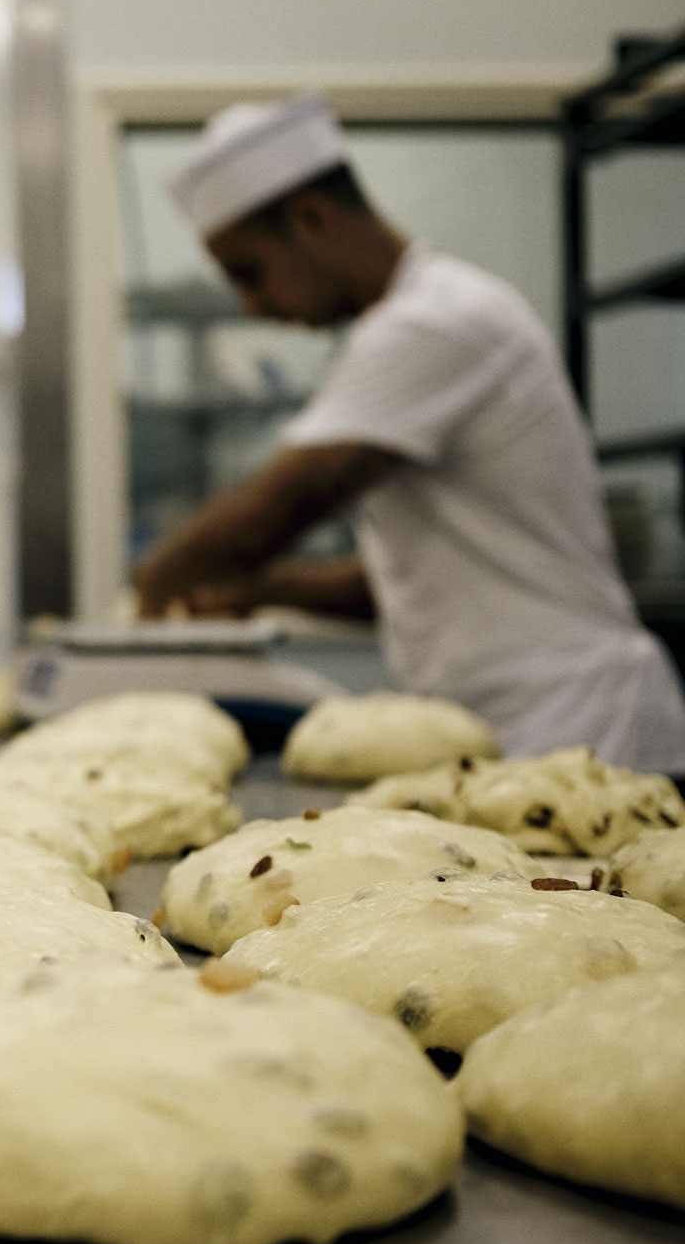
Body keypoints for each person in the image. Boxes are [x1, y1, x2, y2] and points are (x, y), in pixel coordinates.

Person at [135, 94, 685, 772]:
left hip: (576, 723)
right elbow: (409, 582)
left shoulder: (435, 321)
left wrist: (149, 590)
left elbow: (285, 503)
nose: (253, 306)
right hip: (509, 726)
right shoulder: (408, 325)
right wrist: (266, 590)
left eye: (250, 274)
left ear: (312, 218)